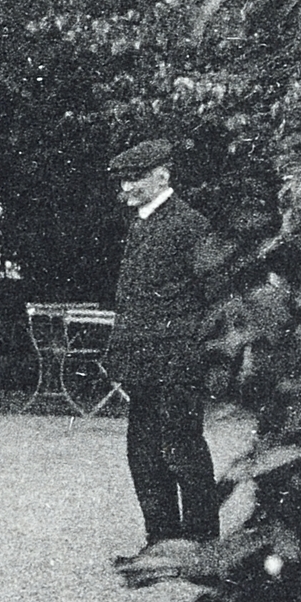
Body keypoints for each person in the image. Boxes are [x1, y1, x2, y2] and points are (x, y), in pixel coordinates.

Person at [99, 139, 223, 565]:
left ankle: (203, 548)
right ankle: (160, 544)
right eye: (123, 179)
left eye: (135, 178)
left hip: (177, 362)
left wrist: (198, 354)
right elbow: (133, 302)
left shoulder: (190, 225)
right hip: (144, 363)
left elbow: (213, 296)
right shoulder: (142, 224)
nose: (126, 187)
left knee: (183, 450)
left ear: (163, 176)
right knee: (145, 454)